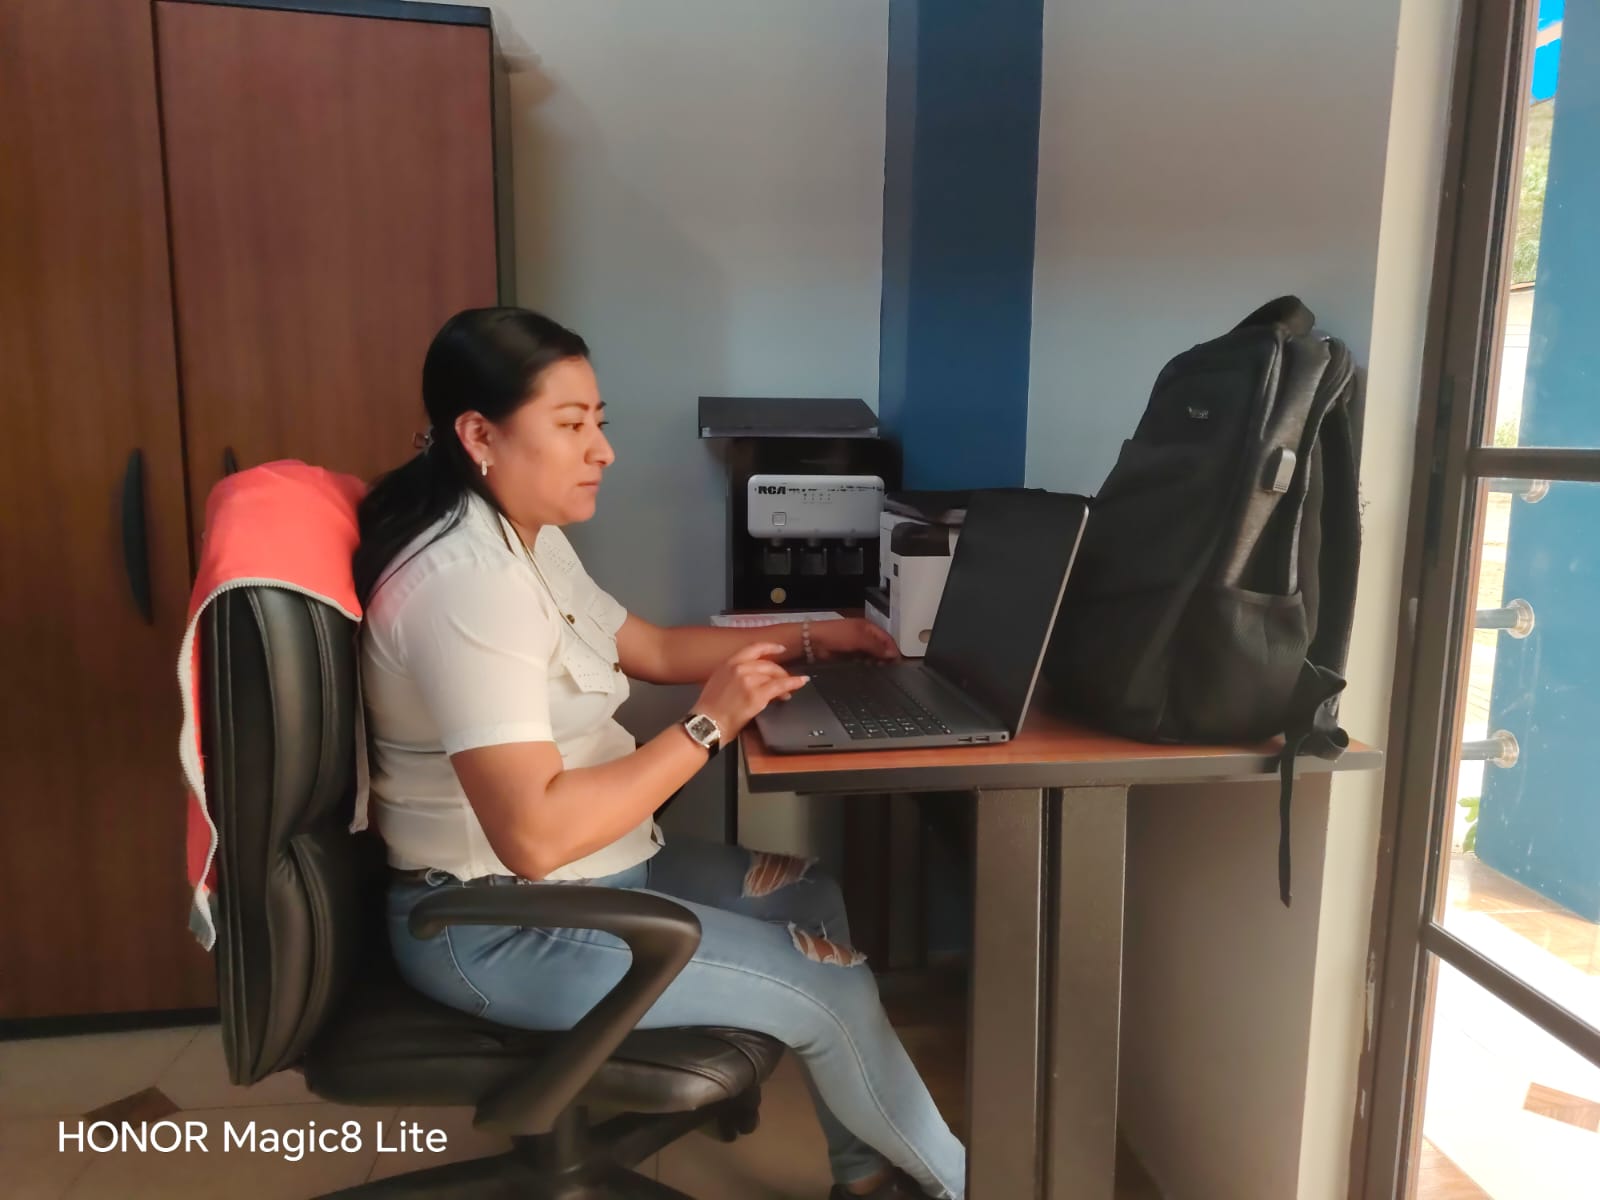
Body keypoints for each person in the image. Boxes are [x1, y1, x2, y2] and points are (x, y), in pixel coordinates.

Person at [353, 307, 966, 1199]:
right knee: (829, 989)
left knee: (811, 893)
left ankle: (866, 1177)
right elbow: (532, 836)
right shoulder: (465, 587)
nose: (602, 450)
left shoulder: (524, 539)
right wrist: (707, 726)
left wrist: (816, 635)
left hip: (590, 878)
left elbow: (652, 647)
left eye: (599, 422)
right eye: (571, 425)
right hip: (499, 925)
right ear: (480, 435)